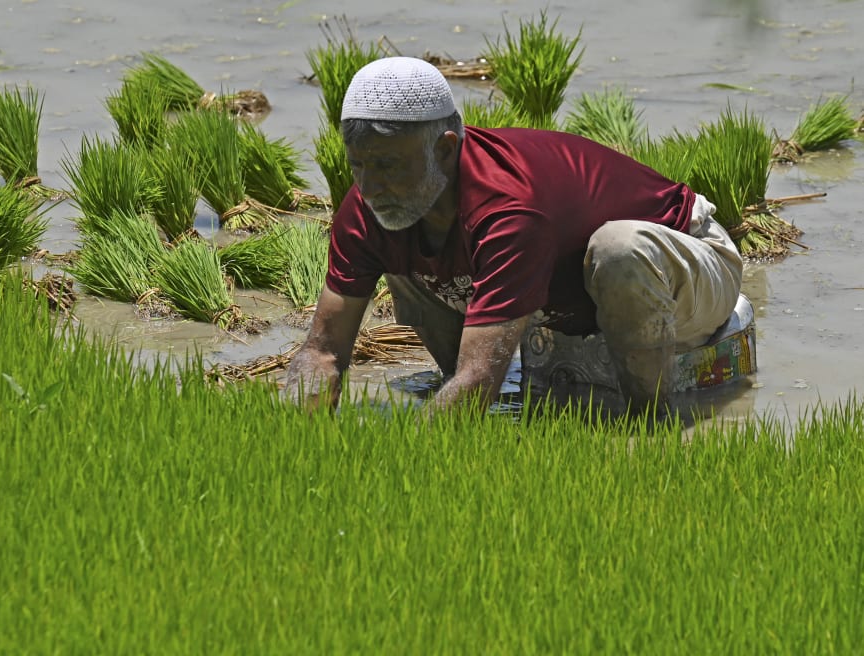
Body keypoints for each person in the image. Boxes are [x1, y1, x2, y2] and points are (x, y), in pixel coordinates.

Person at [284, 56, 743, 416]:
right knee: (398, 239)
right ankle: (469, 408)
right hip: (568, 301)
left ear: (445, 150)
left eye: (388, 166)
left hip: (691, 264)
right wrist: (297, 441)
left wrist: (401, 460)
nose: (369, 186)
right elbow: (323, 350)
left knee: (618, 250)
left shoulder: (509, 207)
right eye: (358, 164)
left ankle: (649, 421)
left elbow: (478, 379)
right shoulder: (368, 207)